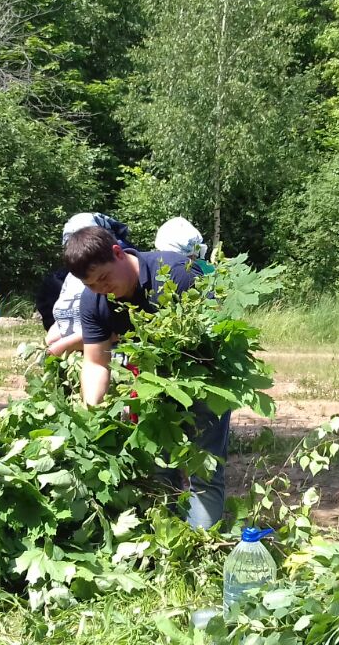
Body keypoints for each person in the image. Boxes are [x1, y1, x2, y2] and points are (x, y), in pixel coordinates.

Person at [64, 226, 226, 529]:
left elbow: (218, 333)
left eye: (104, 278)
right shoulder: (93, 301)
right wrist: (91, 410)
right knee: (157, 470)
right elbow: (96, 362)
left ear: (118, 253)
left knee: (205, 472)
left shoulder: (176, 274)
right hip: (151, 392)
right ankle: (168, 544)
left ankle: (202, 550)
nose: (102, 289)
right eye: (92, 284)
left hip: (204, 383)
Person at [45, 213, 136, 356]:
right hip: (72, 359)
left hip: (111, 360)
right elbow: (65, 314)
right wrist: (54, 335)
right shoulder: (70, 278)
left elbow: (124, 327)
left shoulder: (117, 275)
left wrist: (64, 345)